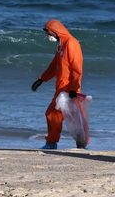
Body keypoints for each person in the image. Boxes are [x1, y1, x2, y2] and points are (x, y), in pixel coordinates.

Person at [31, 19, 84, 149]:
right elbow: (54, 66)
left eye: (49, 33)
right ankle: (81, 145)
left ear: (56, 31)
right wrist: (41, 79)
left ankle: (51, 143)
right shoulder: (61, 45)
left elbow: (77, 68)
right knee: (72, 118)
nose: (48, 36)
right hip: (62, 88)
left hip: (68, 89)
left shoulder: (71, 43)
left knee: (52, 113)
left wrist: (73, 88)